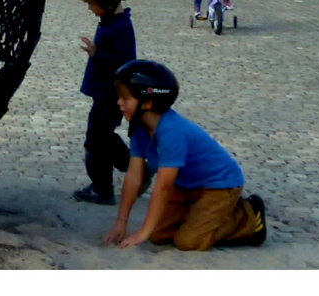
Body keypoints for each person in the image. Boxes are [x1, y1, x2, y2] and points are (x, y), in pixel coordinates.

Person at [104, 60, 267, 251]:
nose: (119, 103)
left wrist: (142, 232)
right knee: (158, 236)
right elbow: (133, 177)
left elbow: (163, 186)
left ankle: (248, 216)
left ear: (147, 102)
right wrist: (121, 221)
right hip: (184, 187)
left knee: (188, 241)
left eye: (126, 98)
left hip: (218, 185)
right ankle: (199, 215)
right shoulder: (140, 128)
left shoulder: (171, 132)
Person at [72, 0, 137, 205]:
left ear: (108, 1)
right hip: (105, 94)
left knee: (96, 141)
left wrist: (96, 53)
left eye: (92, 3)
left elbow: (124, 61)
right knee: (102, 138)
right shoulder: (112, 23)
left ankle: (104, 188)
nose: (90, 8)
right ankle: (133, 172)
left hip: (111, 95)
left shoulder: (119, 27)